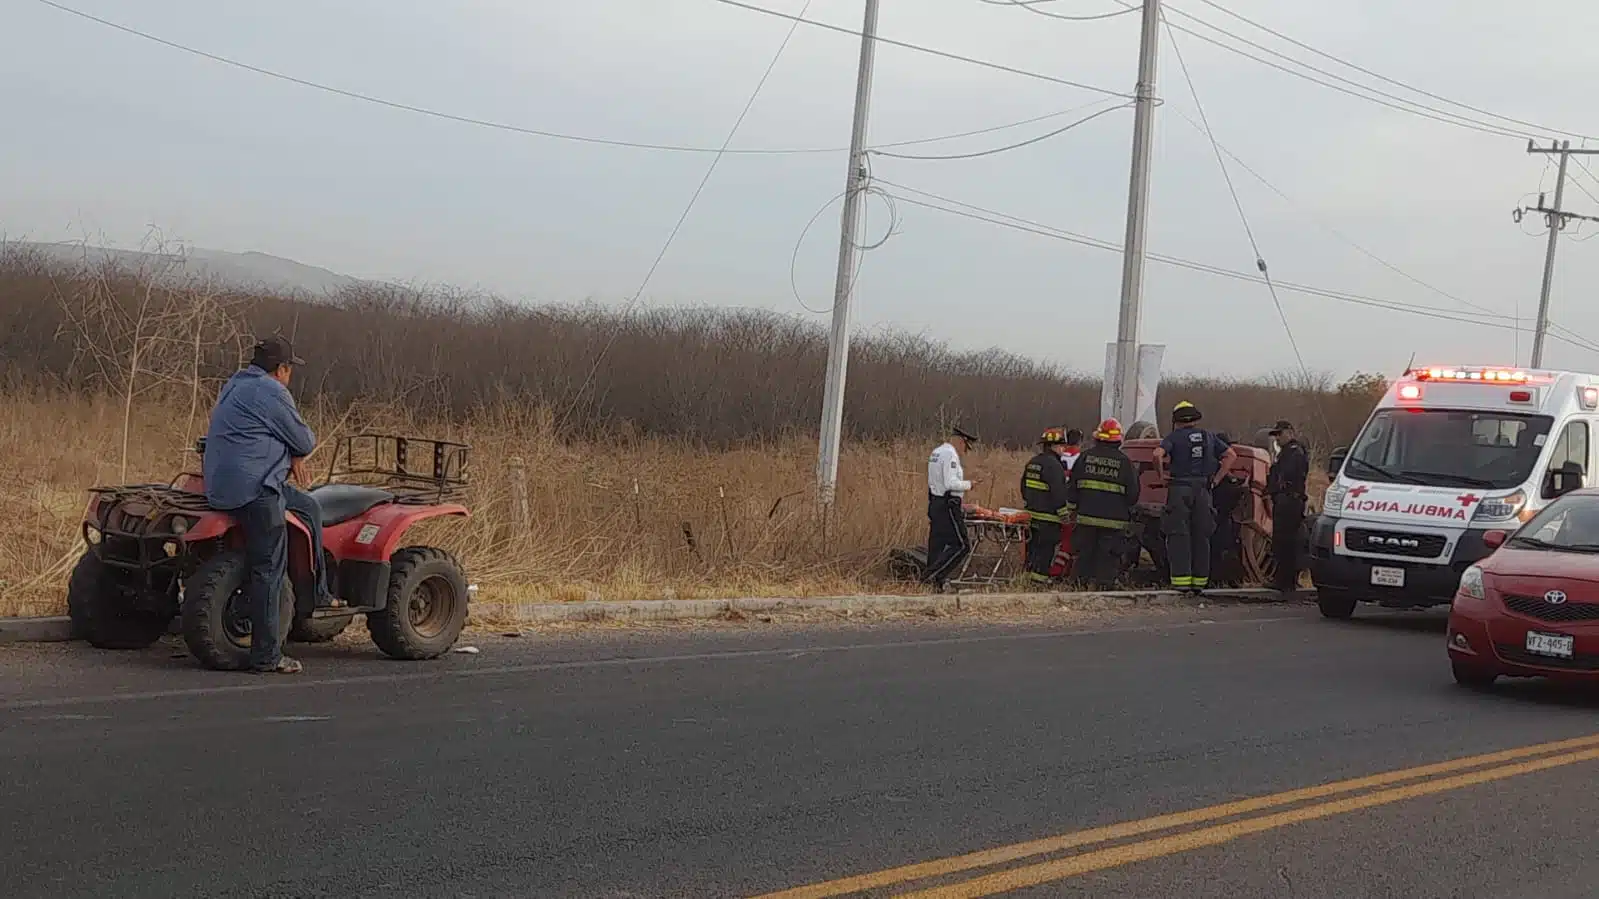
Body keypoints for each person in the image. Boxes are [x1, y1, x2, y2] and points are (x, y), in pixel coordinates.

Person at [202, 335, 321, 674]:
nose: (290, 376)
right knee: (268, 567)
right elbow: (305, 439)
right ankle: (267, 656)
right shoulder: (272, 391)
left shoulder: (235, 384)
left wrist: (290, 452)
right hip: (255, 489)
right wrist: (296, 451)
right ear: (281, 369)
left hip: (219, 487)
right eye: (290, 369)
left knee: (308, 508)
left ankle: (320, 593)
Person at [1153, 401, 1236, 595]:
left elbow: (1157, 454)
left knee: (1178, 534)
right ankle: (1200, 582)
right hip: (1203, 490)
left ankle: (1181, 582)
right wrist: (1216, 479)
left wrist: (1161, 477)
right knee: (1202, 535)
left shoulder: (1173, 437)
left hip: (1180, 489)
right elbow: (1231, 455)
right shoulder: (1209, 437)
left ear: (1176, 420)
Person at [1066, 418, 1141, 590]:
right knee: (1108, 558)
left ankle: (1077, 588)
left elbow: (1072, 488)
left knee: (1084, 556)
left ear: (1097, 437)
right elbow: (1133, 495)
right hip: (1113, 522)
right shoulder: (1125, 463)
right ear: (1118, 440)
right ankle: (1103, 590)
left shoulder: (1085, 458)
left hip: (1086, 519)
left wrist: (1071, 510)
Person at [925, 426, 978, 589]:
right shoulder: (950, 455)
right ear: (962, 441)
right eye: (966, 447)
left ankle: (934, 584)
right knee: (961, 545)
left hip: (935, 501)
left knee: (937, 544)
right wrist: (969, 484)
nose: (965, 452)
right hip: (948, 504)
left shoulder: (937, 452)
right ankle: (933, 577)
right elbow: (950, 483)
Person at [1020, 428, 1073, 584]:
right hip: (1048, 519)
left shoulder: (1032, 463)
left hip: (1030, 517)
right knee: (1044, 552)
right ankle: (1039, 583)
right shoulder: (1054, 466)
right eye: (1062, 446)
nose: (1064, 449)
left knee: (1032, 550)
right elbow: (1059, 493)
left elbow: (1023, 488)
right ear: (1054, 447)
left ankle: (1027, 581)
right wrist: (1064, 516)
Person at [1267, 419, 1310, 596]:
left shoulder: (1294, 452)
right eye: (1275, 435)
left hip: (1290, 501)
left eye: (1280, 434)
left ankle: (1286, 581)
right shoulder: (1285, 452)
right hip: (1284, 500)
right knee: (1281, 541)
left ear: (1290, 432)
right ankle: (1283, 579)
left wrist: (1276, 488)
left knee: (1287, 541)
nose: (1277, 438)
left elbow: (1287, 475)